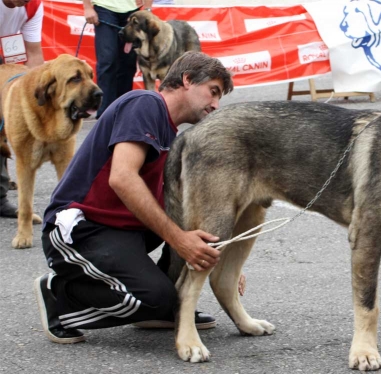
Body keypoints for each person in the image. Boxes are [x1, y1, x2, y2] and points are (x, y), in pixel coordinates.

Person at [34, 52, 234, 344]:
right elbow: (122, 178)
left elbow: (179, 209)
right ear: (187, 80)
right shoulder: (146, 104)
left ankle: (161, 306)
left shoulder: (171, 133)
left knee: (183, 234)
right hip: (80, 228)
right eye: (213, 92)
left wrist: (221, 258)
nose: (216, 105)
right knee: (155, 297)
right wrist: (179, 240)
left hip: (121, 229)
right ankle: (60, 298)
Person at [0, 0, 45, 218]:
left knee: (5, 126)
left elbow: (34, 55)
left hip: (8, 58)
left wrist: (37, 93)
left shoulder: (33, 6)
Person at [82, 0, 153, 119]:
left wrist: (148, 8)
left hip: (132, 9)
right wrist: (87, 7)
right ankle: (105, 114)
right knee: (107, 61)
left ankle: (124, 111)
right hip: (105, 7)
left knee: (128, 63)